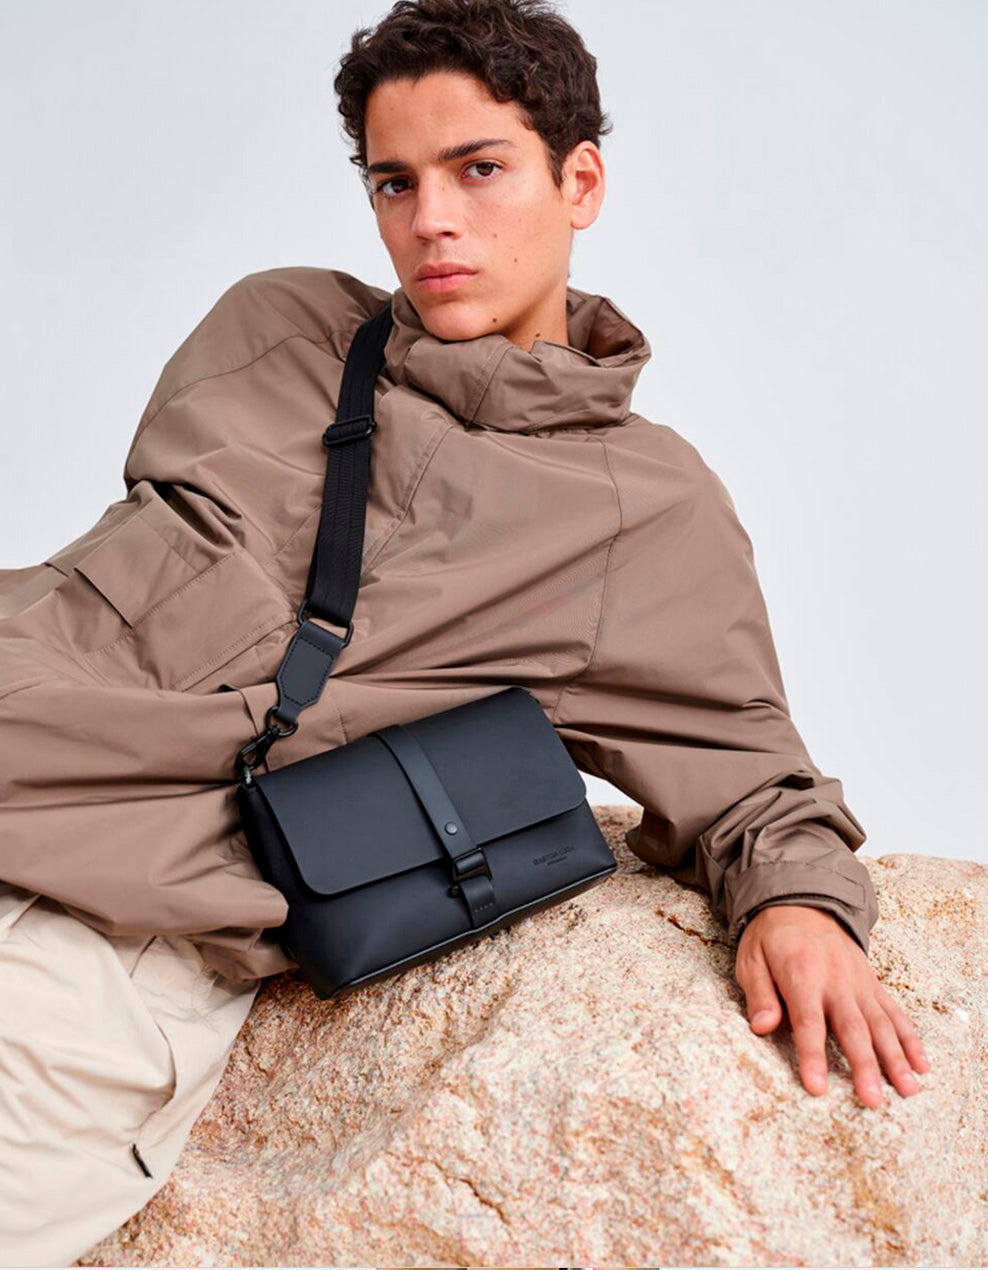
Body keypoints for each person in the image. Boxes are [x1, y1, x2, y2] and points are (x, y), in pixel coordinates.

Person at [0, 0, 930, 1262]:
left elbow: (749, 775)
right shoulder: (272, 330)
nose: (431, 219)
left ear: (578, 182)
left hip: (104, 942)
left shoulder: (639, 509)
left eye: (478, 169)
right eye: (395, 182)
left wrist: (800, 905)